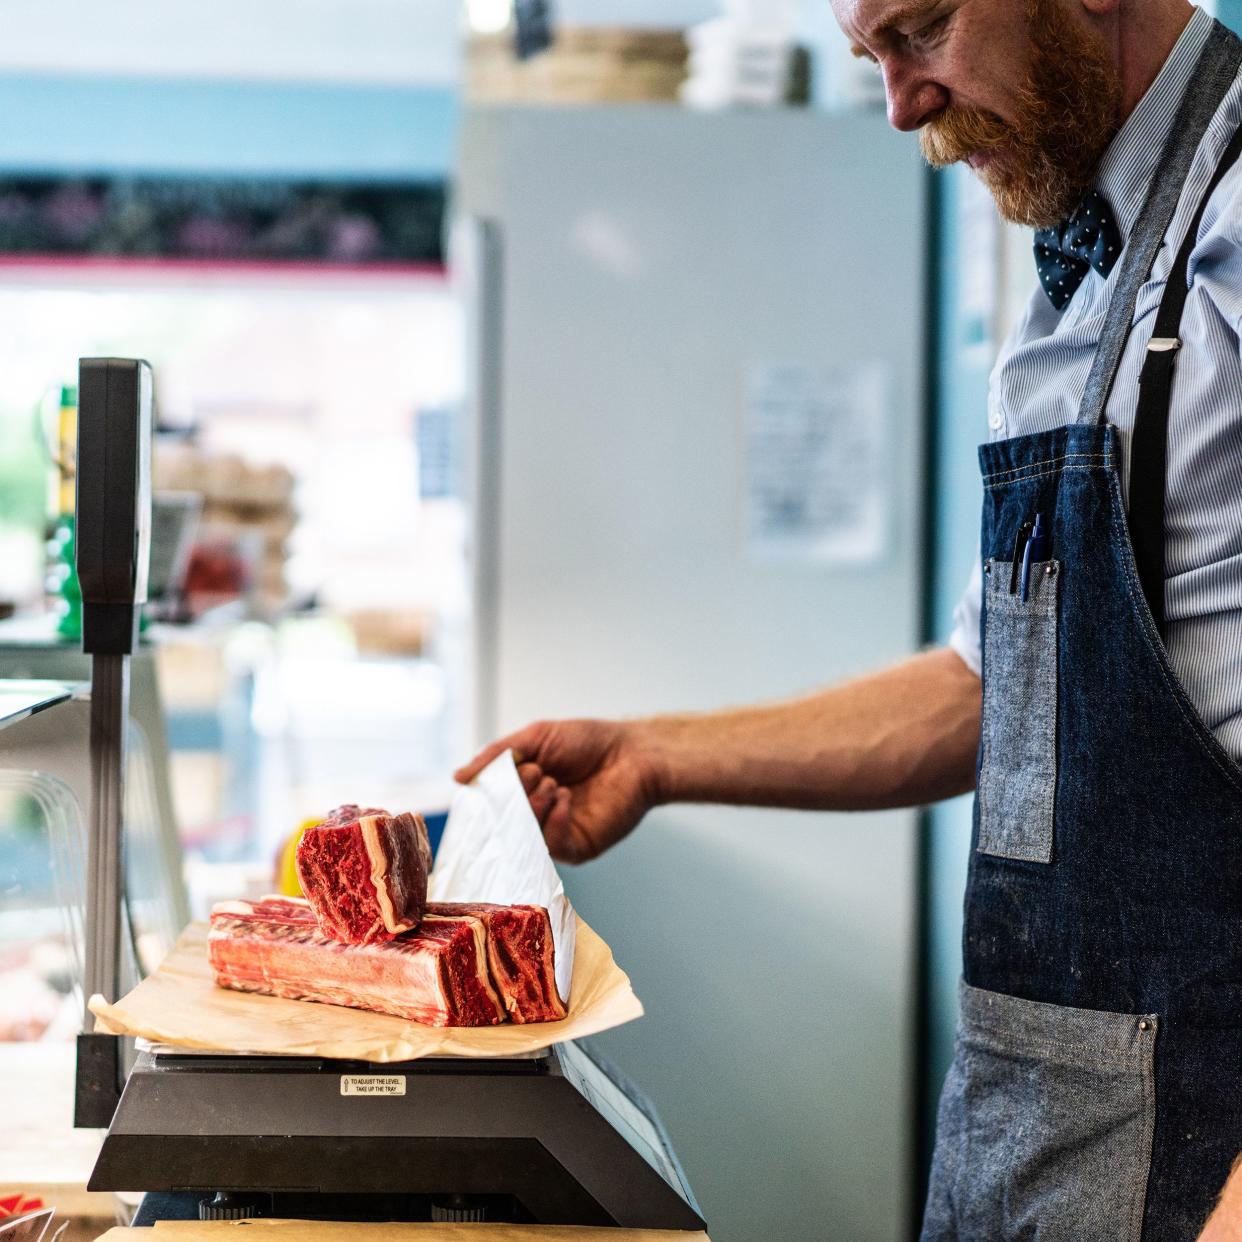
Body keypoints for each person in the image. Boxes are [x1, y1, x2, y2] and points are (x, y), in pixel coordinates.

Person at [457, 0, 1242, 1236]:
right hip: (1034, 1130)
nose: (902, 106)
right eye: (869, 58)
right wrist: (657, 757)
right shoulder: (1085, 263)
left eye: (923, 30)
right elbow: (999, 686)